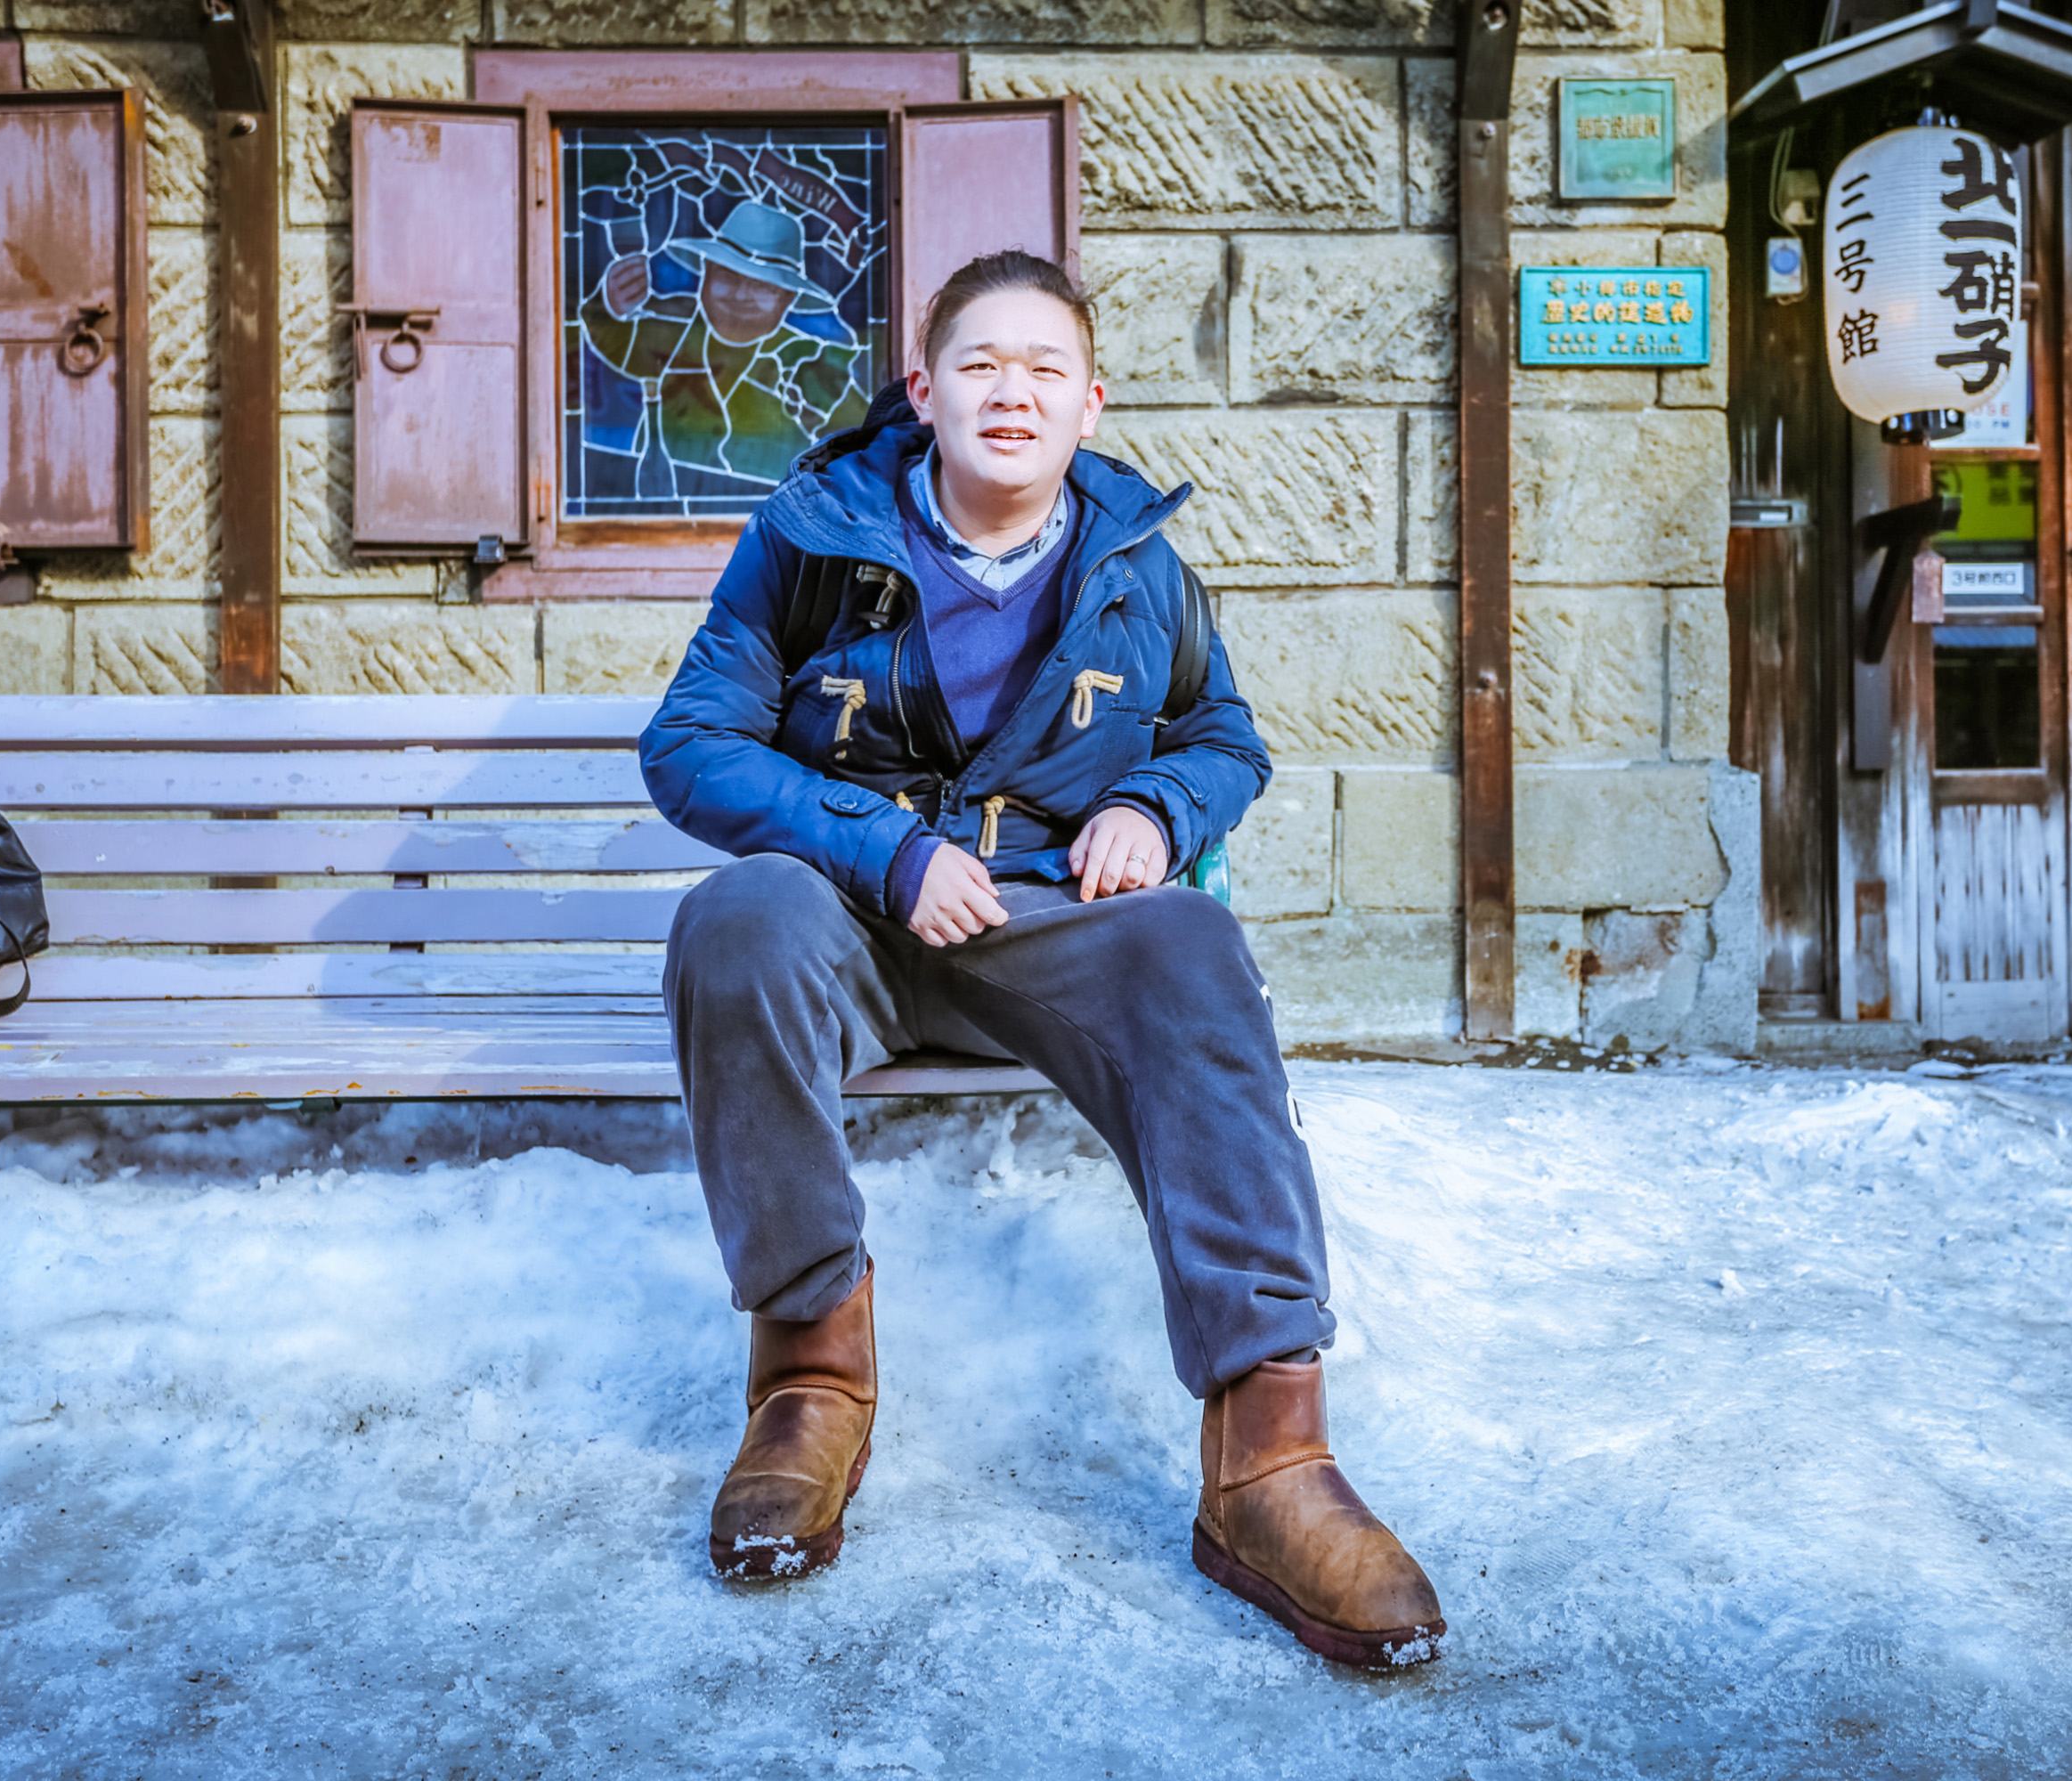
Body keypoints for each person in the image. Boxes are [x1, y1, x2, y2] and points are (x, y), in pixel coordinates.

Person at [639, 250, 1445, 1668]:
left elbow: (1223, 738)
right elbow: (690, 744)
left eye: (1045, 369)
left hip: (1049, 927)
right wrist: (881, 850)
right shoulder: (810, 533)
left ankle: (1271, 1452)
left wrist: (1152, 808)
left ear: (1090, 403)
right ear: (924, 387)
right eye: (981, 363)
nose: (1012, 390)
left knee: (1191, 938)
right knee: (735, 919)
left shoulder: (1136, 566)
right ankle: (809, 1374)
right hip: (859, 923)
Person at [581, 198, 865, 497]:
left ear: (789, 299)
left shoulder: (810, 361)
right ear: (705, 273)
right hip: (662, 521)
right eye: (728, 277)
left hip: (778, 527)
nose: (741, 296)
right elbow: (613, 341)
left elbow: (863, 448)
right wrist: (609, 304)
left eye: (763, 287)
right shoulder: (672, 329)